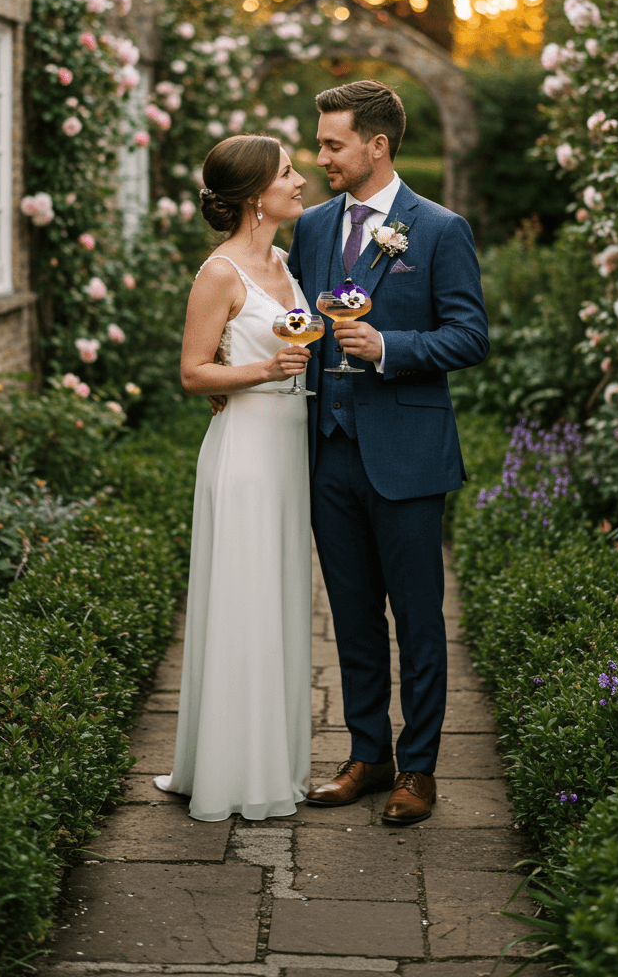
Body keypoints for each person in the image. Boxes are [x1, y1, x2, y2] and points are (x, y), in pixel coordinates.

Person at [288, 80, 489, 825]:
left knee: (418, 619)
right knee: (351, 616)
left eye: (332, 144)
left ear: (377, 145)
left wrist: (388, 347)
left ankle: (420, 770)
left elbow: (470, 336)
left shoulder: (438, 229)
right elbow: (294, 319)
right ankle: (367, 755)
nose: (320, 157)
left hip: (406, 454)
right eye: (319, 143)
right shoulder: (313, 227)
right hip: (328, 451)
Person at [154, 134, 314, 822]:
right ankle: (231, 771)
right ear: (256, 197)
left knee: (279, 599)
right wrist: (262, 371)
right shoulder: (219, 273)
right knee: (244, 601)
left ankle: (272, 759)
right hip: (246, 452)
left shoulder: (284, 261)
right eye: (288, 172)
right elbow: (194, 373)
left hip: (289, 452)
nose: (301, 180)